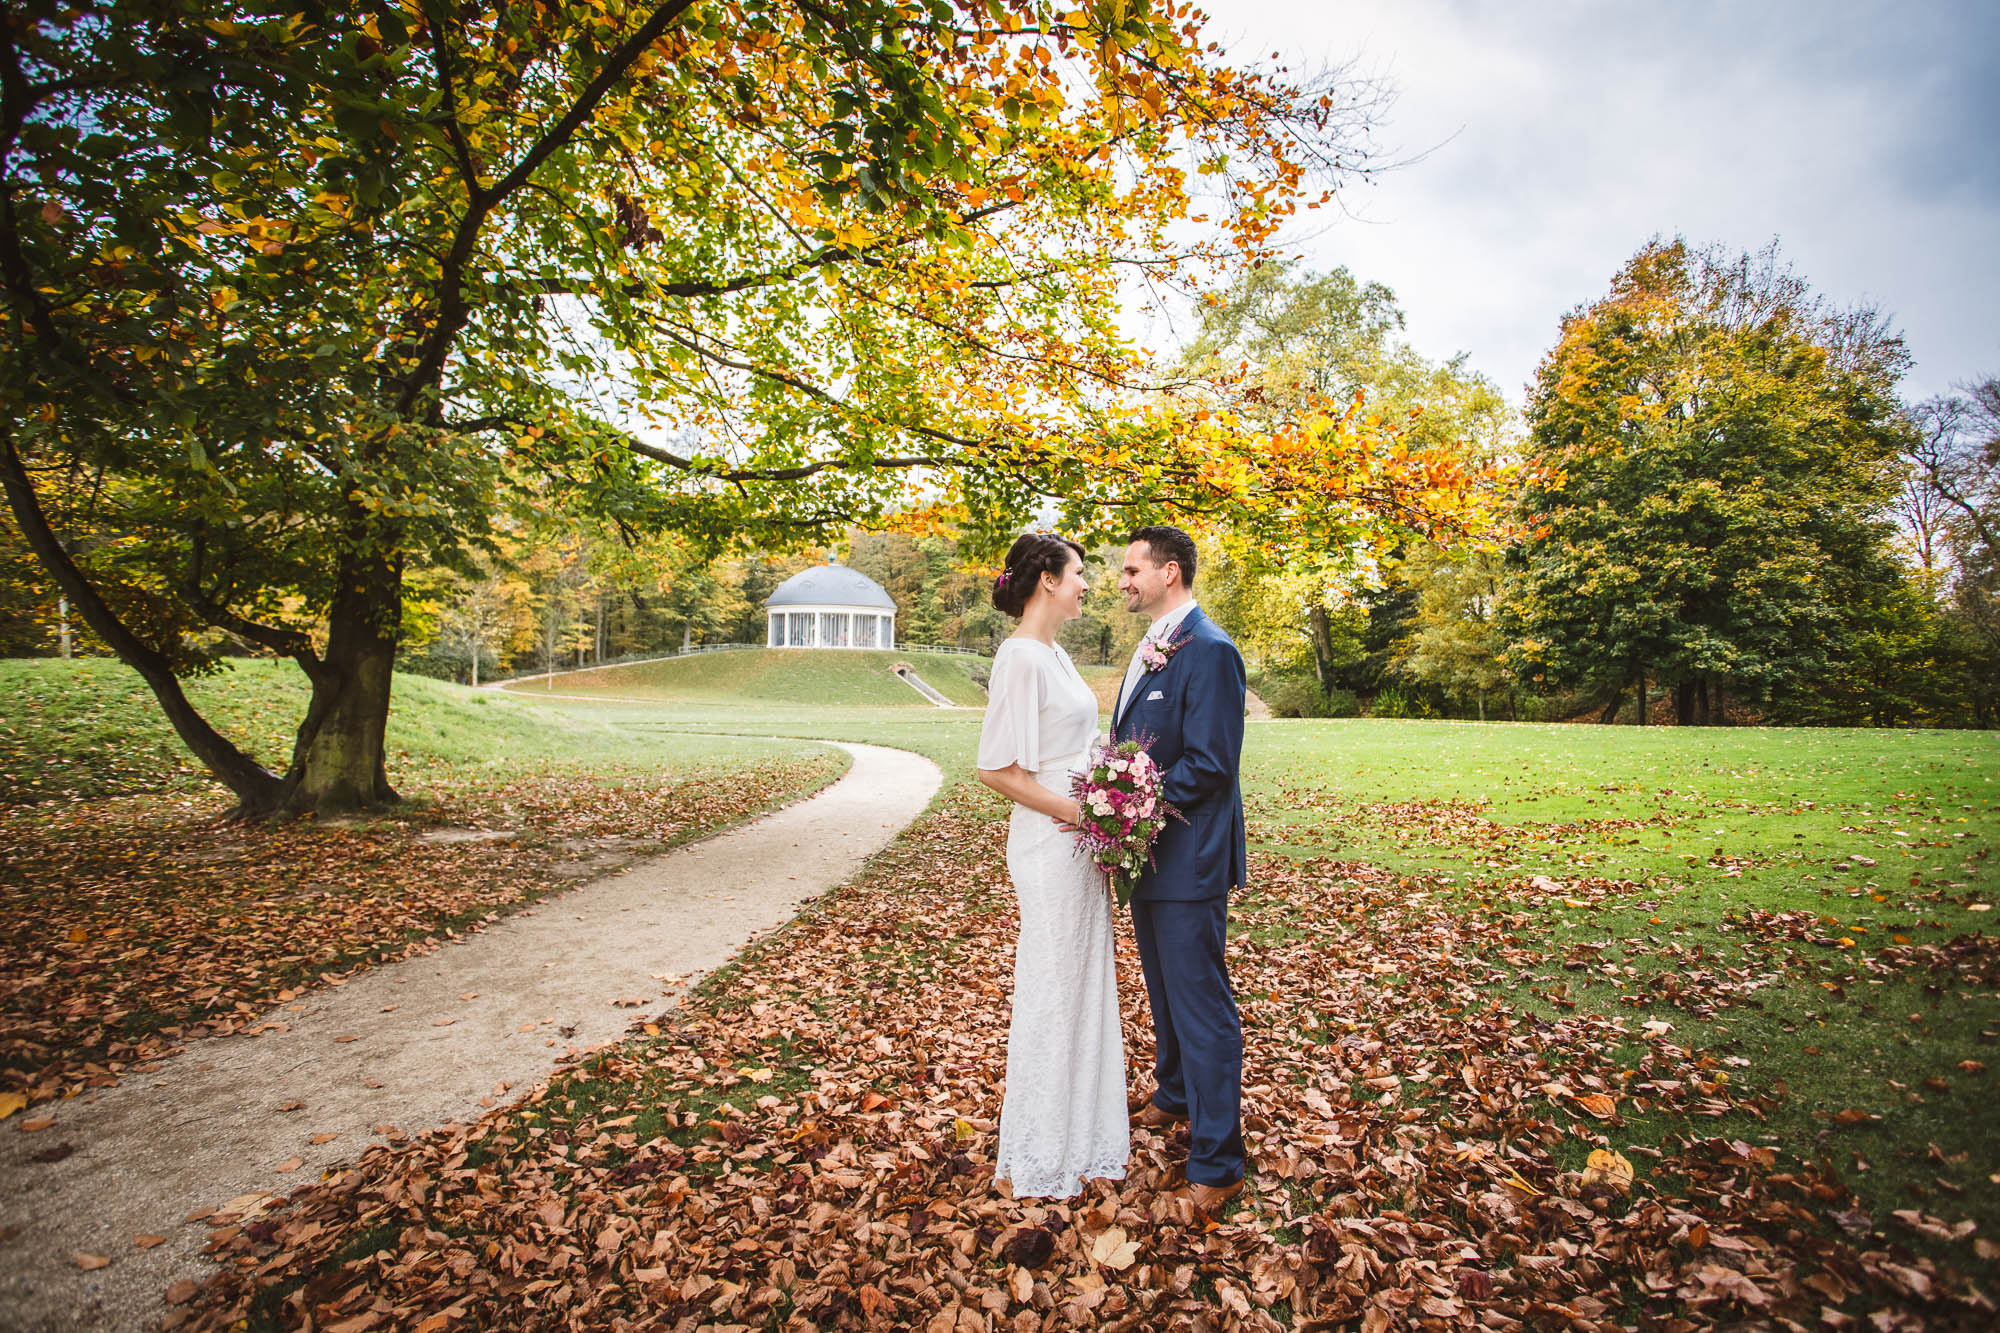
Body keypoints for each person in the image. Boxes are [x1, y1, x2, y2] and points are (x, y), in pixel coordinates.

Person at [975, 532, 1129, 1198]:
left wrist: (1117, 789)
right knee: (1054, 987)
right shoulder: (1019, 659)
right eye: (1078, 573)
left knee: (1084, 984)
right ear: (1046, 580)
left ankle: (1084, 1138)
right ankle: (1039, 1152)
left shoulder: (1056, 654)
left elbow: (1079, 744)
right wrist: (1076, 813)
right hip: (1049, 842)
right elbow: (996, 768)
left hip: (1081, 843)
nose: (1087, 583)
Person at [1111, 524, 1249, 1214]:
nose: (1122, 579)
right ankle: (1175, 1093)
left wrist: (1128, 800)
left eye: (1133, 569)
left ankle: (1220, 1159)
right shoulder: (1154, 644)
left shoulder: (1213, 651)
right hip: (1148, 854)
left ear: (1170, 571)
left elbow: (1211, 762)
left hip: (1190, 856)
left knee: (1201, 1004)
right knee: (1164, 991)